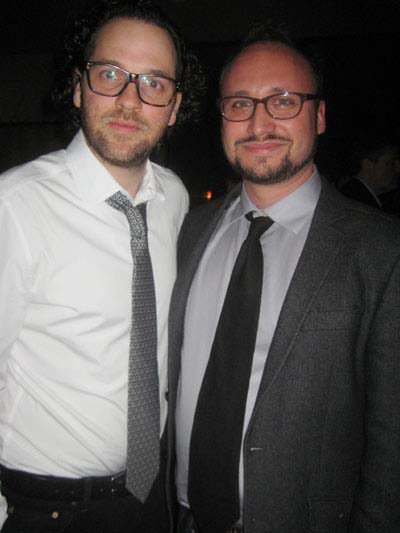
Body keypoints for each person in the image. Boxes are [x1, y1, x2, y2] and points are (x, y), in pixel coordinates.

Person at [167, 25, 400, 533]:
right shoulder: (188, 230)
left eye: (283, 101)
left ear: (319, 115)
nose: (259, 122)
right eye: (240, 104)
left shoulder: (383, 251)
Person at [0, 1, 202, 531]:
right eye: (111, 74)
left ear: (174, 106)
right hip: (43, 509)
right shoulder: (15, 206)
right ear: (78, 87)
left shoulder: (175, 199)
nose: (131, 100)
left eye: (154, 83)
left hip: (147, 499)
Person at [339, 133, 400, 210]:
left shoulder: (355, 196)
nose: (397, 169)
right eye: (391, 163)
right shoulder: (360, 205)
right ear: (368, 165)